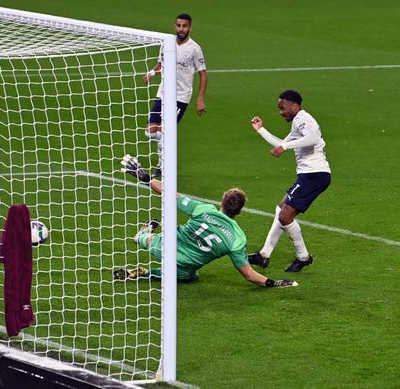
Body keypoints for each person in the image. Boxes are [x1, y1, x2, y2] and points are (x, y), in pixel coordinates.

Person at [117, 155, 297, 288]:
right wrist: (275, 283)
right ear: (240, 212)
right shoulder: (237, 238)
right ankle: (147, 272)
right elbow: (249, 275)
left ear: (221, 203)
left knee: (146, 240)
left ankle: (142, 236)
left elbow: (170, 194)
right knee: (191, 276)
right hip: (184, 266)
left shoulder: (204, 209)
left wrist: (145, 177)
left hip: (162, 247)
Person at [247, 90, 331, 272]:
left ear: (294, 105)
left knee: (285, 216)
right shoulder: (297, 123)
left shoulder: (304, 119)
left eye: (282, 108)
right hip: (310, 175)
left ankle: (303, 257)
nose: (280, 112)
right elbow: (281, 143)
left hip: (314, 174)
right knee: (280, 208)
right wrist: (261, 130)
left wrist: (285, 146)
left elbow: (313, 138)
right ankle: (264, 255)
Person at [143, 13, 208, 178]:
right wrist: (151, 73)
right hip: (163, 93)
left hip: (181, 97)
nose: (181, 29)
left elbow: (203, 74)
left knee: (166, 131)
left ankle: (162, 164)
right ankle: (166, 150)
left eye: (184, 26)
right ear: (175, 26)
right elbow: (161, 64)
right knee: (150, 132)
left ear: (190, 28)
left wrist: (200, 99)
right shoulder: (167, 43)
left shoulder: (194, 49)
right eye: (178, 26)